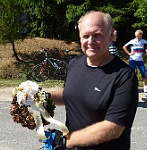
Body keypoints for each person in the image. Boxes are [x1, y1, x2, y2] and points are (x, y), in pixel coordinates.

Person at [50, 11, 138, 150]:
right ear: (80, 38)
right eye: (86, 36)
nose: (90, 42)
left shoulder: (124, 76)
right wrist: (41, 97)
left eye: (97, 35)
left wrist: (66, 141)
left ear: (110, 36)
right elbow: (71, 94)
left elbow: (114, 127)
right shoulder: (75, 64)